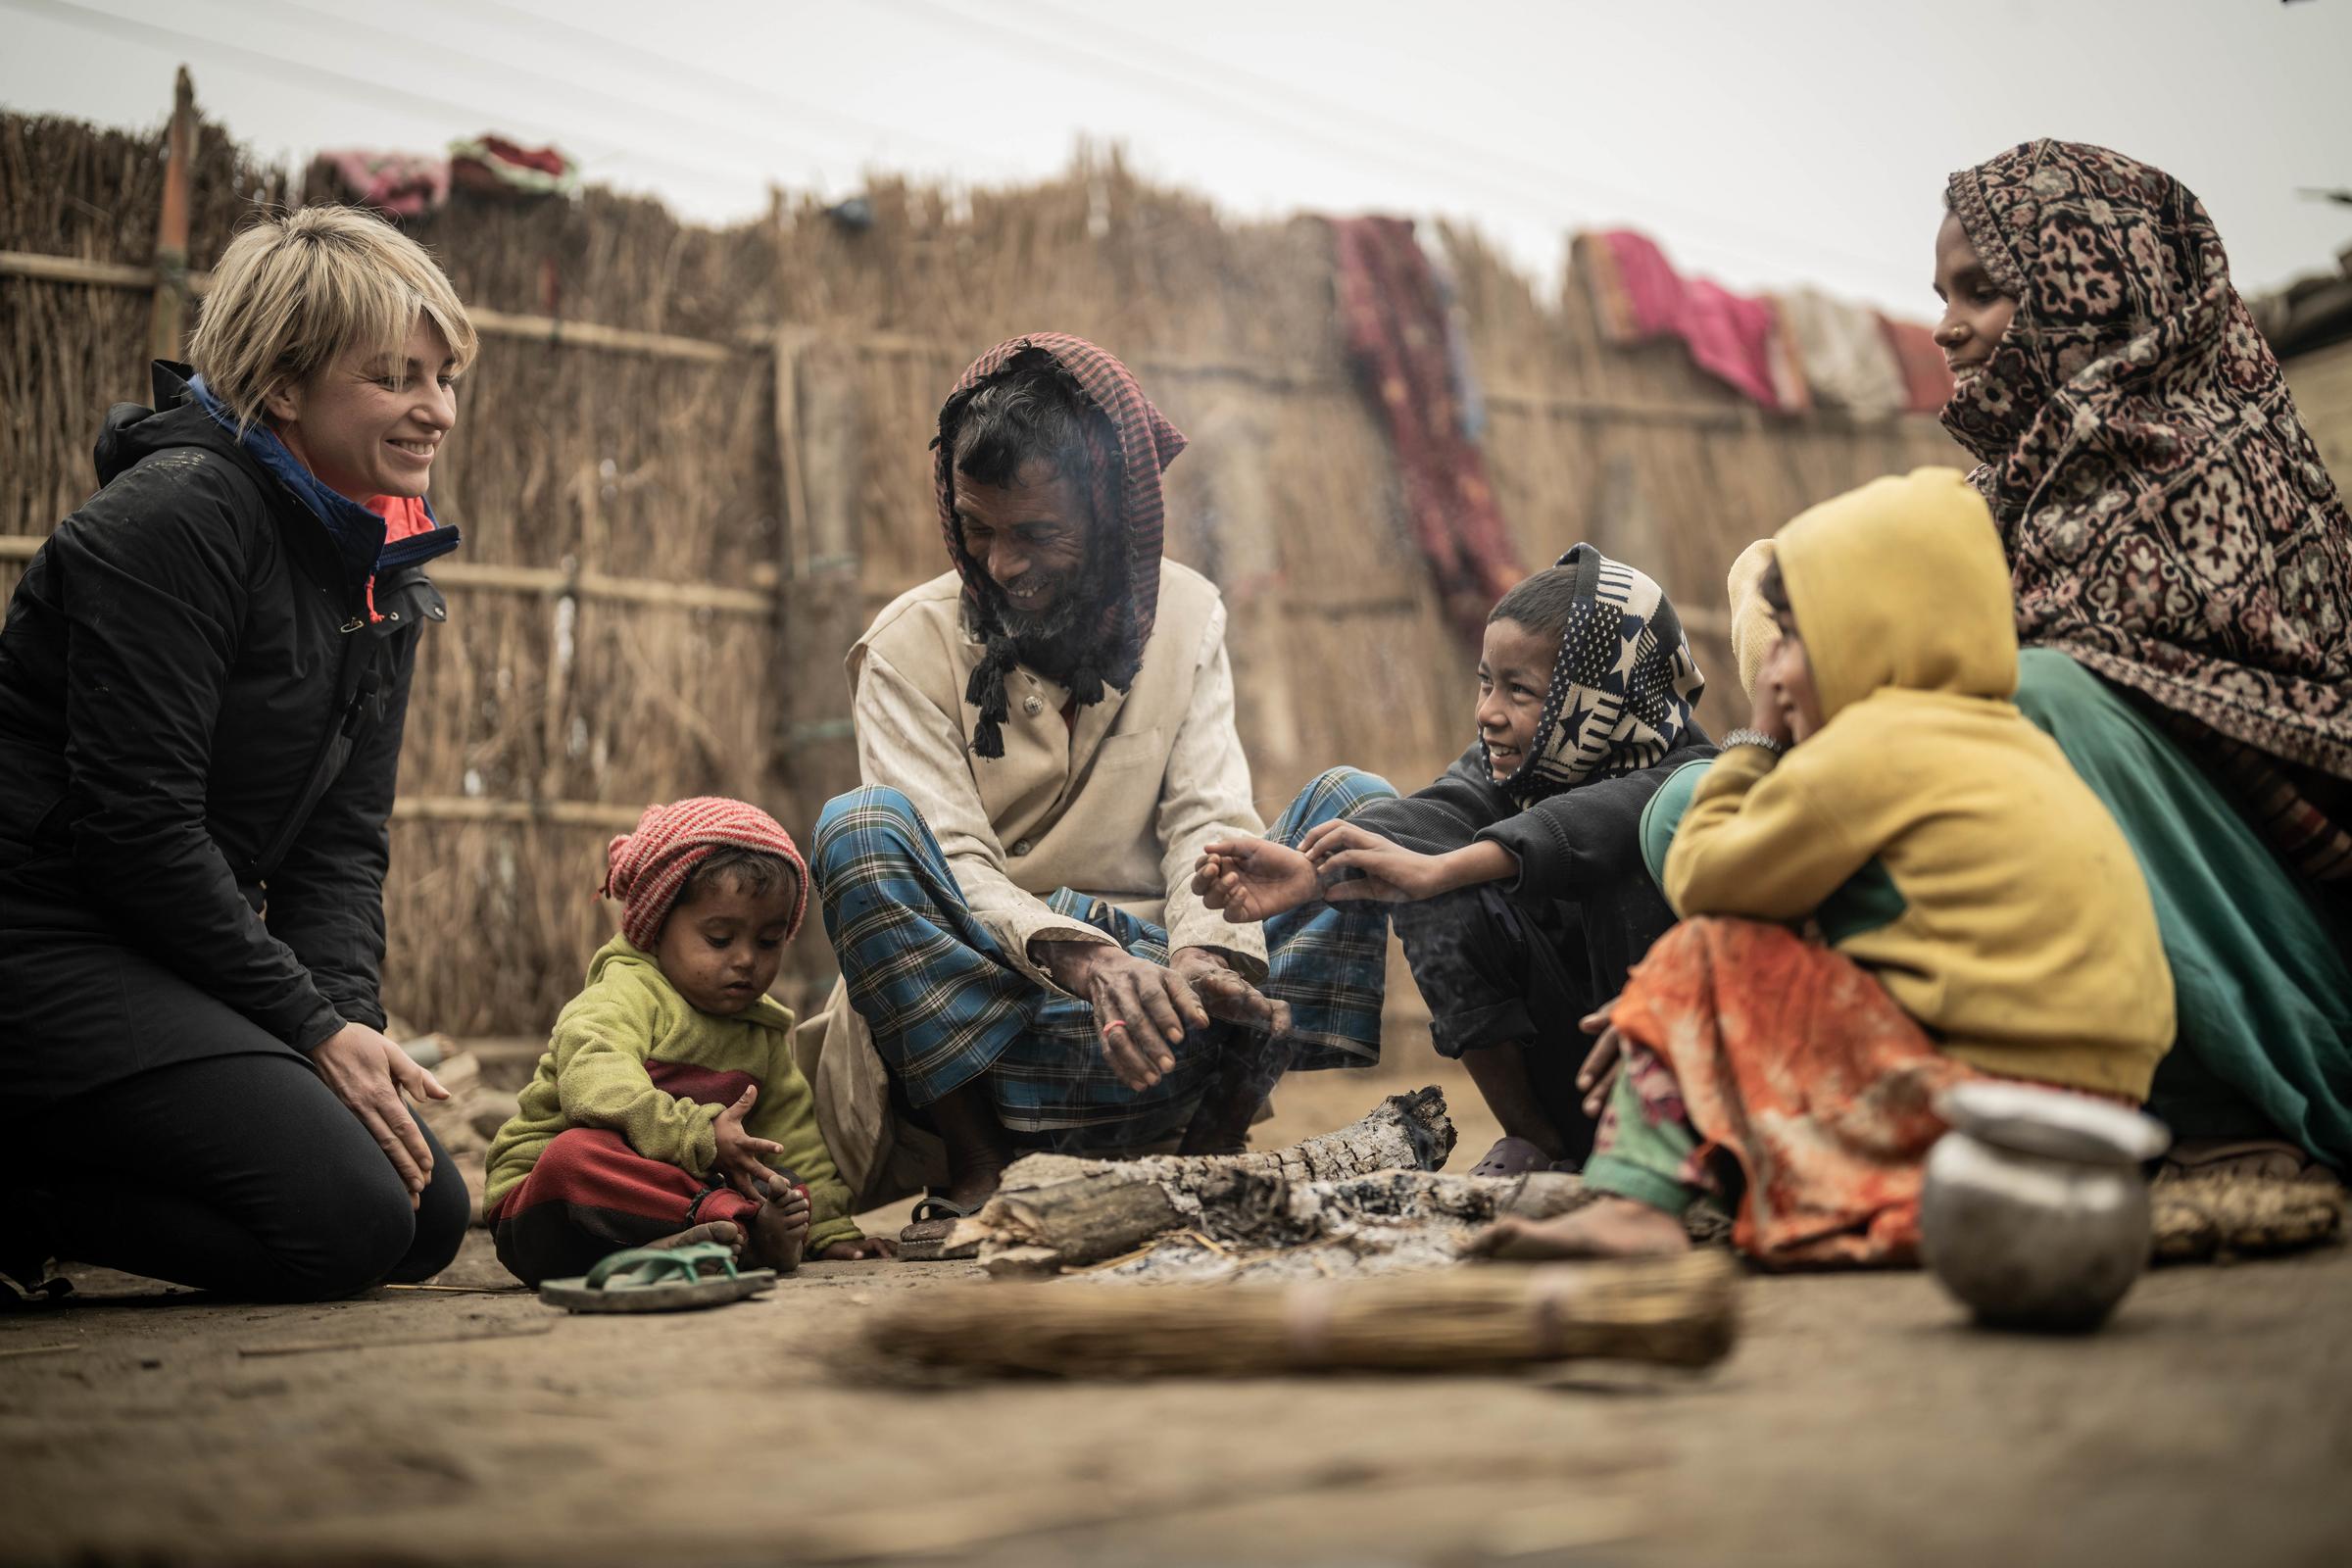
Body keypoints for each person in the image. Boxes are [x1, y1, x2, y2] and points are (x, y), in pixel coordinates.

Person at [1724, 140, 2352, 1180]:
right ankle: (1961, 1104)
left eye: (1984, 291)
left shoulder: (2214, 459)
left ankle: (2213, 1107)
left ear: (2091, 293)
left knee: (2041, 702)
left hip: (2263, 949)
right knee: (1692, 802)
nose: (1946, 326)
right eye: (1941, 293)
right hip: (2047, 938)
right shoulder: (2000, 500)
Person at [1477, 468, 2175, 1265]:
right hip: (2111, 1110)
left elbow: (1703, 879)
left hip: (1989, 1102)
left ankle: (1638, 1202)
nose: (1772, 671)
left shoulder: (1868, 749)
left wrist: (1756, 740)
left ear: (1869, 634)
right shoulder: (2009, 737)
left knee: (1703, 950)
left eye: (1794, 643)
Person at [803, 333, 1395, 1243]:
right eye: (978, 528)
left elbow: (1210, 815)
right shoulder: (903, 649)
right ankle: (977, 1167)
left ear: (1112, 513)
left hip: (1164, 1011)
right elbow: (952, 858)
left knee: (1356, 812)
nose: (1001, 564)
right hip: (994, 1021)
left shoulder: (1188, 616)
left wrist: (1206, 958)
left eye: (1038, 533)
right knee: (859, 829)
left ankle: (1214, 1137)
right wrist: (1084, 956)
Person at [0, 208, 476, 1303]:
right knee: (348, 1222)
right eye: (394, 376)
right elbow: (138, 831)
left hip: (156, 943)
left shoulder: (379, 558)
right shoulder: (175, 520)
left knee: (424, 1217)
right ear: (284, 387)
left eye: (444, 377)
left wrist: (346, 1023)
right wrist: (305, 1025)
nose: (434, 409)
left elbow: (339, 849)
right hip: (39, 935)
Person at [1192, 546, 1715, 1177]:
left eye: (1519, 690)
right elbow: (1442, 808)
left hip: (1677, 1103)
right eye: (1485, 682)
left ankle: (1643, 1161)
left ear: (1598, 696)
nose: (1487, 712)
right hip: (1571, 1083)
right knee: (1431, 891)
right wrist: (1313, 871)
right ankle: (1539, 1142)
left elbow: (1601, 820)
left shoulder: (1691, 784)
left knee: (1592, 872)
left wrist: (1447, 868)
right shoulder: (1528, 765)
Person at [484, 799, 890, 1286]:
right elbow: (593, 1087)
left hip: (677, 1206)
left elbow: (792, 1137)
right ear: (657, 928)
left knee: (781, 1182)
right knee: (575, 1156)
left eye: (768, 942)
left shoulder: (757, 1031)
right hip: (548, 1210)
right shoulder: (621, 995)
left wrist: (828, 1226)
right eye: (719, 938)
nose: (745, 959)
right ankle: (739, 1227)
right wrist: (699, 1137)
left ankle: (692, 1240)